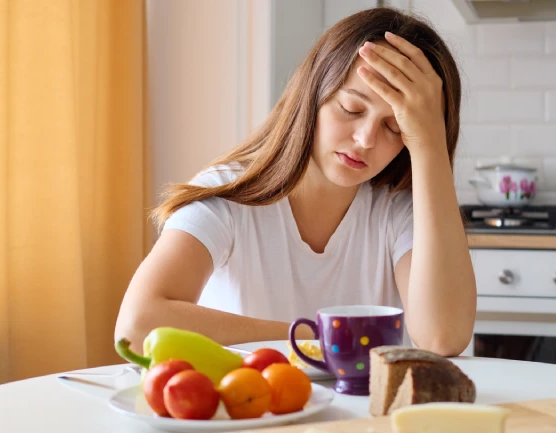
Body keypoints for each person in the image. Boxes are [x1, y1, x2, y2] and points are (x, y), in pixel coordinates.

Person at [114, 7, 477, 357]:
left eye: (394, 127)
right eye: (351, 109)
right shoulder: (230, 196)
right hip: (249, 413)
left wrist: (429, 142)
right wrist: (317, 337)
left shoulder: (396, 210)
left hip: (358, 421)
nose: (366, 139)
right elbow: (137, 327)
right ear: (314, 94)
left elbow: (442, 337)